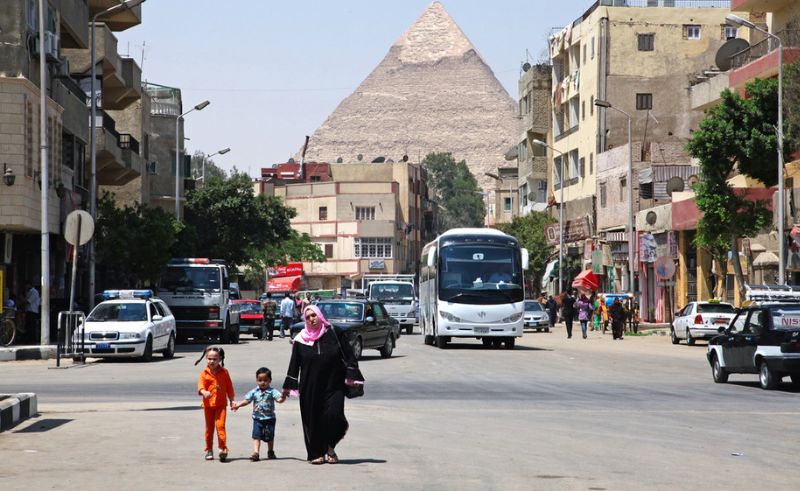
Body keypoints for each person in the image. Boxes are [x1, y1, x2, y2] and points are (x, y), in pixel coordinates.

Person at [282, 305, 364, 465]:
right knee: (312, 420)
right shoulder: (300, 339)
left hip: (334, 384)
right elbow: (294, 364)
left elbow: (349, 355)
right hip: (310, 387)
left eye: (314, 315)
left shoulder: (334, 333)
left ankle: (330, 446)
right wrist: (289, 386)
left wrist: (352, 375)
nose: (312, 319)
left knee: (334, 415)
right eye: (308, 317)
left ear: (320, 315)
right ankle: (315, 453)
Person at [232, 367, 286, 461]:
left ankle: (270, 451)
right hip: (257, 418)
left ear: (270, 381)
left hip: (270, 418)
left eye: (265, 380)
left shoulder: (272, 391)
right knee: (256, 436)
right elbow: (247, 400)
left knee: (269, 436)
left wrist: (283, 396)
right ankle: (256, 453)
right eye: (260, 380)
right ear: (256, 380)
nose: (262, 382)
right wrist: (238, 405)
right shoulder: (254, 391)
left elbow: (279, 400)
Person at [195, 346, 235, 462]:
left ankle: (222, 449)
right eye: (209, 359)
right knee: (209, 428)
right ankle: (209, 449)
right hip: (208, 406)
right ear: (206, 359)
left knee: (220, 426)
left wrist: (232, 400)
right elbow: (200, 385)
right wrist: (204, 392)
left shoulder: (224, 372)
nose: (211, 361)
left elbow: (229, 388)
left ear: (220, 359)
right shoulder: (204, 373)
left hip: (221, 405)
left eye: (214, 359)